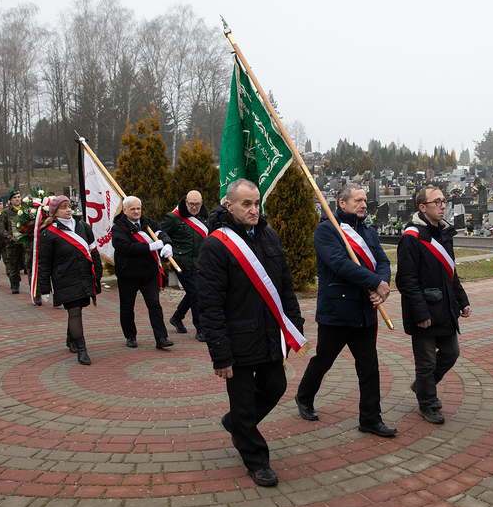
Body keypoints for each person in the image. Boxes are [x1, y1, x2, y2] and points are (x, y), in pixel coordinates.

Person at [198, 179, 305, 487]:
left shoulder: (269, 236)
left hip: (270, 335)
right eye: (246, 204)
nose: (254, 209)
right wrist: (220, 354)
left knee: (276, 385)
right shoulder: (215, 245)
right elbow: (210, 305)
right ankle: (257, 460)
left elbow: (285, 287)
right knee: (243, 403)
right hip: (237, 340)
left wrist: (294, 326)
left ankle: (236, 425)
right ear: (228, 205)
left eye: (257, 203)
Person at [295, 184, 397, 437]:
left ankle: (370, 419)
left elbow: (382, 261)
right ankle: (304, 397)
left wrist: (381, 284)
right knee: (323, 361)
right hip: (337, 311)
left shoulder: (369, 232)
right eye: (358, 200)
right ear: (342, 203)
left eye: (365, 200)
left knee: (369, 368)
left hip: (365, 311)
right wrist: (374, 283)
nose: (364, 204)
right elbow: (340, 264)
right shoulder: (326, 230)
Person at [396, 186, 471, 425]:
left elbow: (452, 272)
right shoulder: (411, 237)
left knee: (451, 352)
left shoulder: (444, 233)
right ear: (422, 207)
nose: (442, 205)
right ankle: (427, 403)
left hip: (446, 307)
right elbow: (406, 280)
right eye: (436, 201)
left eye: (443, 200)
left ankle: (421, 387)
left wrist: (463, 300)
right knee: (426, 362)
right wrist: (420, 313)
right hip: (425, 310)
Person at [35, 196, 102, 365]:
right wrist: (44, 288)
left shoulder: (83, 227)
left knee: (78, 308)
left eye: (69, 206)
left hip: (84, 276)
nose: (68, 210)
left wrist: (98, 273)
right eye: (63, 208)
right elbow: (44, 263)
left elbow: (93, 251)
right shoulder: (48, 234)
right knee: (74, 311)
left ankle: (70, 338)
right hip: (64, 279)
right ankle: (82, 349)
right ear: (54, 212)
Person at [112, 196, 174, 350]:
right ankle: (130, 336)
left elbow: (161, 233)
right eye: (132, 209)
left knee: (154, 305)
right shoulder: (118, 228)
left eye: (138, 208)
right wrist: (149, 247)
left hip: (149, 273)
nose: (136, 211)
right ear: (124, 210)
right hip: (128, 274)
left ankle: (161, 337)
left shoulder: (148, 223)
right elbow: (126, 248)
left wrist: (167, 244)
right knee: (127, 307)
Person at [160, 190, 208, 341]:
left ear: (201, 203)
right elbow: (160, 236)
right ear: (186, 202)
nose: (194, 208)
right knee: (196, 293)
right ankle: (200, 329)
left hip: (200, 263)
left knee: (193, 292)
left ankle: (177, 317)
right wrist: (165, 257)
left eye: (197, 204)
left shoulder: (205, 217)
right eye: (191, 204)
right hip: (181, 263)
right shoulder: (173, 217)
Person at [2, 190, 33, 294]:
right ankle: (15, 284)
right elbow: (1, 228)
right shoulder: (6, 212)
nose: (17, 199)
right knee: (13, 265)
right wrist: (9, 237)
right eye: (14, 197)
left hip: (25, 243)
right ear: (10, 200)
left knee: (28, 265)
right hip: (12, 244)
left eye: (19, 197)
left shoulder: (27, 210)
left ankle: (32, 287)